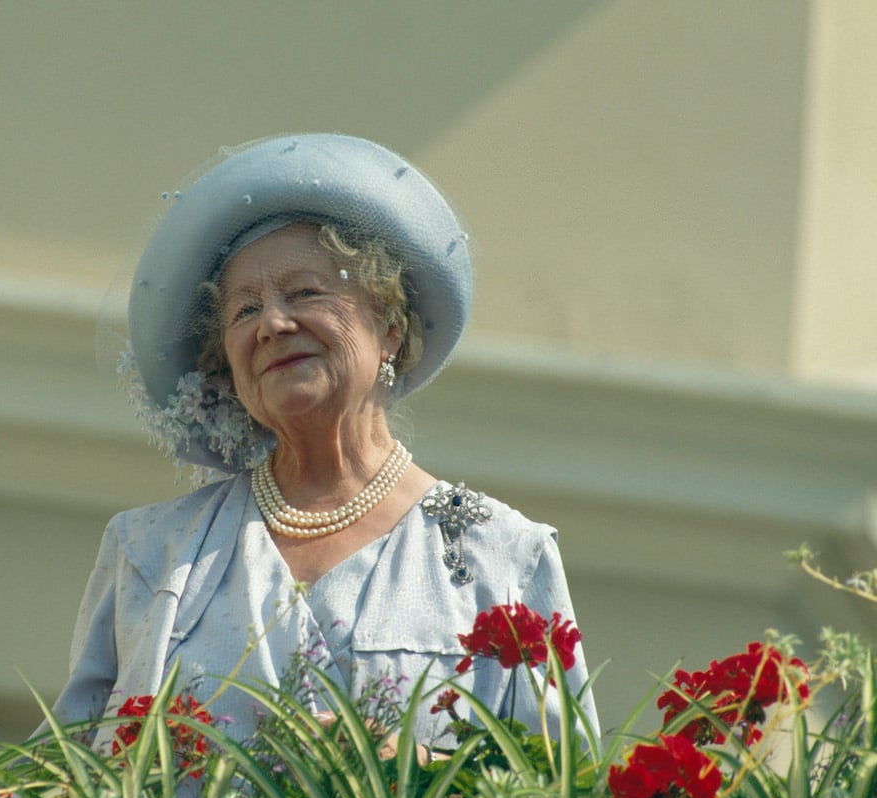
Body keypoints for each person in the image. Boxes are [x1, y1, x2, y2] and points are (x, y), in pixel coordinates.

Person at [48, 133, 599, 759]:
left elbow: (561, 779)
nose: (274, 324)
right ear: (225, 366)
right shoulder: (149, 553)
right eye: (244, 311)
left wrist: (416, 772)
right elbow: (66, 769)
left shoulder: (503, 557)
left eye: (306, 293)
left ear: (390, 326)